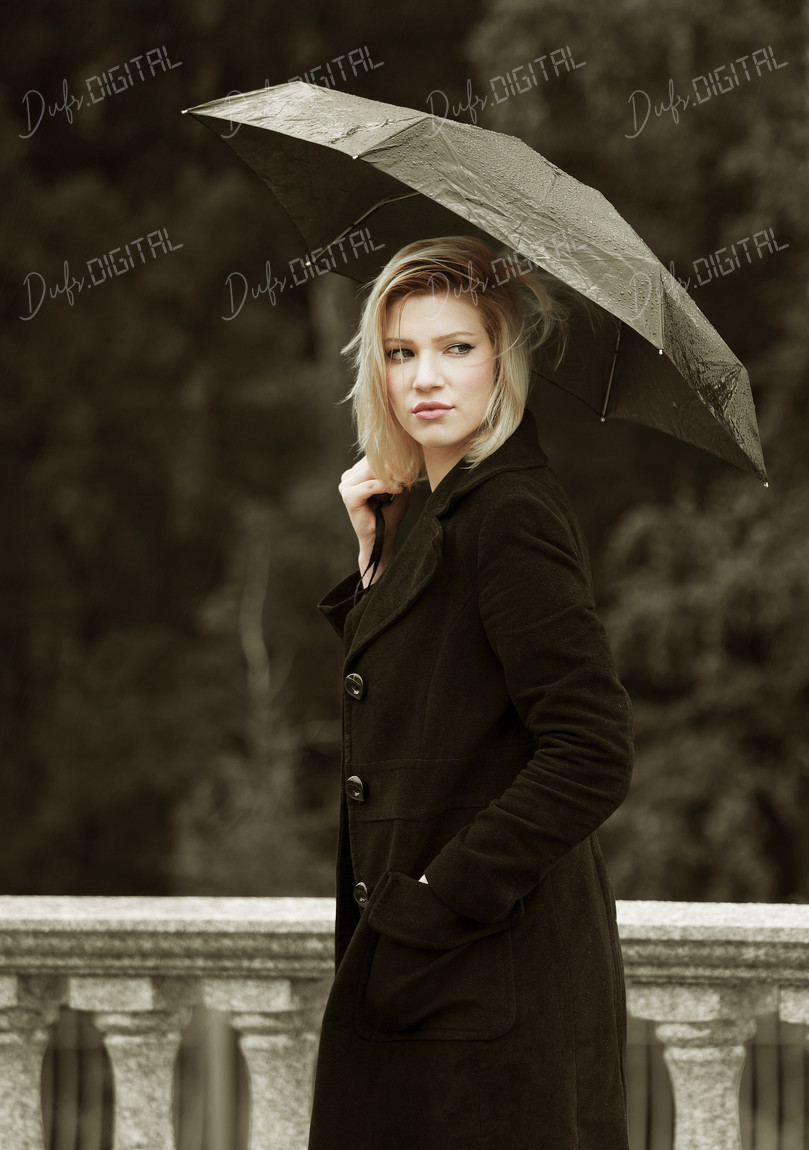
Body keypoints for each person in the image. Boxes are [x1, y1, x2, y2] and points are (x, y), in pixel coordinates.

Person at [307, 235, 634, 1150]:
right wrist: (375, 564)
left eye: (457, 348)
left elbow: (591, 751)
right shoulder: (439, 511)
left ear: (502, 360)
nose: (425, 377)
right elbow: (426, 698)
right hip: (437, 977)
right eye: (402, 352)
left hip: (491, 982)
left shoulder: (510, 512)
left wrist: (436, 896)